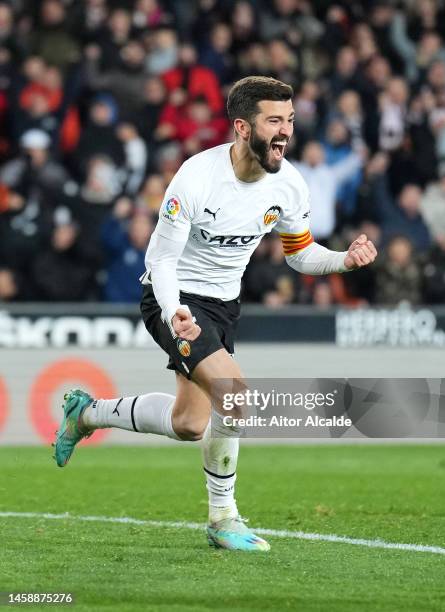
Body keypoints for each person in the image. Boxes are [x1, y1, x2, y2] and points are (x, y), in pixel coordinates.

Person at [53, 76, 377, 552]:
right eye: (274, 120)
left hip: (224, 307)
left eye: (289, 120)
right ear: (243, 128)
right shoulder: (196, 178)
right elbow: (160, 260)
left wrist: (342, 260)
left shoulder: (288, 184)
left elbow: (299, 253)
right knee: (235, 394)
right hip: (174, 298)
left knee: (189, 423)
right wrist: (174, 312)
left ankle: (88, 412)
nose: (286, 131)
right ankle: (224, 517)